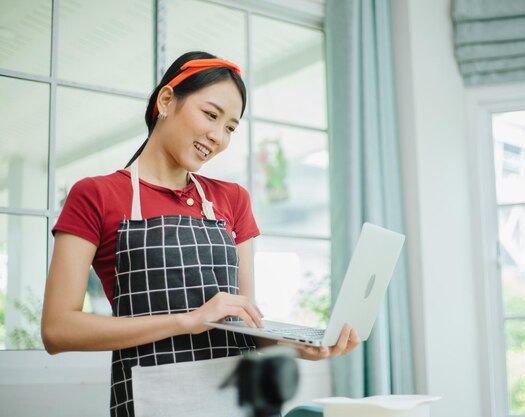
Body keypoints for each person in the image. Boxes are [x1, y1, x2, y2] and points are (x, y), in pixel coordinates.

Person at [41, 51, 361, 417]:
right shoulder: (97, 194)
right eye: (211, 115)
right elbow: (58, 329)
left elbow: (244, 325)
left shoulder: (233, 199)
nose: (218, 137)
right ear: (166, 100)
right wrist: (187, 321)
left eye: (229, 127)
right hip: (155, 402)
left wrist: (300, 345)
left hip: (239, 400)